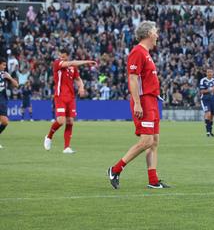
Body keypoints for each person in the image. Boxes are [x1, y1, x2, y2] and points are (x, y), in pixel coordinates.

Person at [107, 21, 169, 189]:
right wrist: (137, 104)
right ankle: (115, 169)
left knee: (154, 141)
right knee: (147, 140)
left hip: (153, 100)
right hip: (144, 101)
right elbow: (133, 78)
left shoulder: (146, 53)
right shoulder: (137, 52)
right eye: (155, 32)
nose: (157, 35)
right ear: (148, 33)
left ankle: (153, 180)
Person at [43, 48, 96, 154]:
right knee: (61, 121)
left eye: (63, 57)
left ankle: (67, 147)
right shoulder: (57, 63)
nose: (61, 58)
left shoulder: (73, 68)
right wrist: (86, 61)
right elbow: (71, 63)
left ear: (67, 56)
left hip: (71, 97)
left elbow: (77, 79)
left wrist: (81, 87)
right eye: (60, 56)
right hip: (60, 96)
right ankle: (49, 137)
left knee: (70, 121)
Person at [0, 57, 19, 149]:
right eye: (3, 65)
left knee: (5, 122)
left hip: (2, 100)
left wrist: (10, 78)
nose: (5, 67)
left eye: (5, 65)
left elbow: (16, 85)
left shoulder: (5, 74)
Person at [199, 68, 214, 137]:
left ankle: (210, 131)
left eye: (211, 72)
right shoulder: (203, 80)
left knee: (212, 116)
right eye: (208, 72)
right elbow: (202, 91)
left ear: (213, 73)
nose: (210, 73)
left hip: (212, 99)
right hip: (205, 99)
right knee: (208, 114)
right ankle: (207, 132)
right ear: (206, 73)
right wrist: (212, 89)